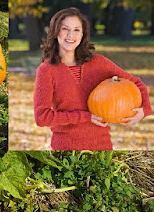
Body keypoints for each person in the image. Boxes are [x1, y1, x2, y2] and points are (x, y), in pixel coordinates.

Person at [33, 7, 152, 150]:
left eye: (77, 30)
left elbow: (136, 83)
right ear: (55, 32)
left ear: (83, 34)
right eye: (65, 28)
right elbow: (42, 117)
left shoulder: (99, 63)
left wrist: (144, 109)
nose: (71, 35)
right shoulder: (46, 70)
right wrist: (85, 117)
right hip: (64, 148)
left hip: (102, 146)